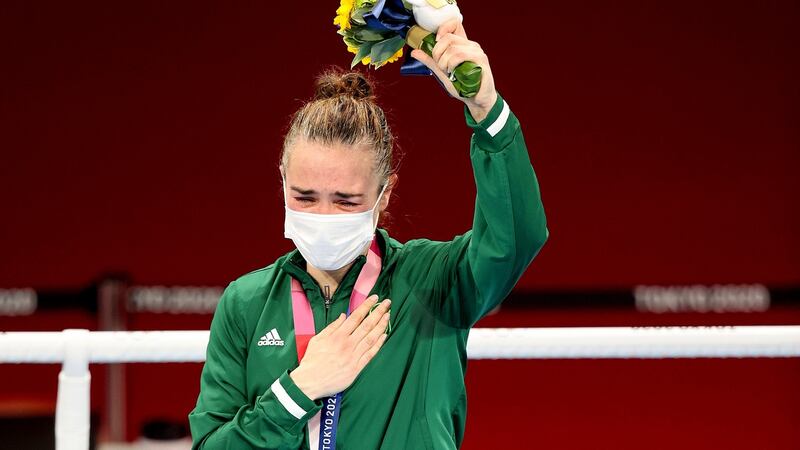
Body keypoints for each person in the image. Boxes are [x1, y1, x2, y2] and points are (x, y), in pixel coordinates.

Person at [188, 18, 548, 450]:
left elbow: (517, 237)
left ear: (385, 193)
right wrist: (296, 391)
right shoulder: (245, 304)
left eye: (345, 201)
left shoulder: (433, 281)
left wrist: (487, 110)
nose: (324, 214)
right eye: (304, 196)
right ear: (281, 181)